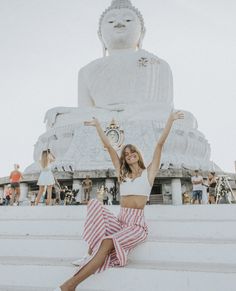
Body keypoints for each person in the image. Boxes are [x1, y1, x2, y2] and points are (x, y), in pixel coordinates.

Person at [54, 111, 184, 291]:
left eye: (133, 152)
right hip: (120, 221)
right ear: (124, 158)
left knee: (107, 241)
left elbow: (160, 145)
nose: (130, 154)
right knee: (94, 205)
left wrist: (170, 120)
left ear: (138, 154)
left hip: (136, 226)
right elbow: (109, 147)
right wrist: (98, 126)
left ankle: (70, 285)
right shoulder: (122, 175)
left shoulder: (149, 173)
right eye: (127, 153)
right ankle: (90, 254)